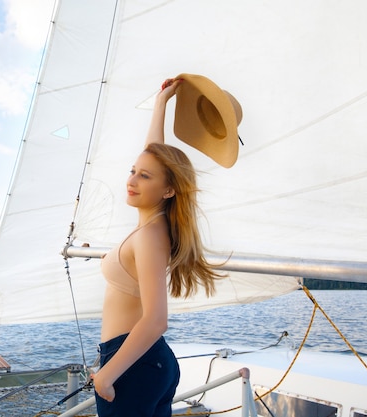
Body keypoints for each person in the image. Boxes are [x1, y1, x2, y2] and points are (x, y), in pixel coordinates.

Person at [91, 78, 225, 416]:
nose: (132, 180)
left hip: (133, 364)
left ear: (167, 190)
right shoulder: (152, 222)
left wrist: (107, 375)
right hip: (145, 362)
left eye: (144, 177)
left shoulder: (151, 235)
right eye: (133, 171)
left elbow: (156, 319)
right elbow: (155, 157)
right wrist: (161, 104)